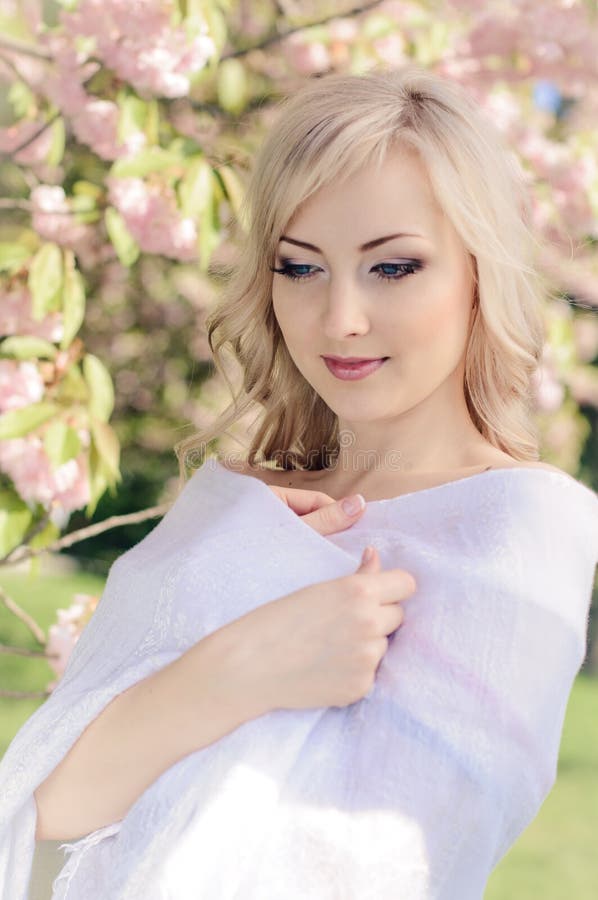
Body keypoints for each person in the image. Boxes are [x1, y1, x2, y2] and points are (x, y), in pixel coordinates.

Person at [1, 65, 597, 900]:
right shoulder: (233, 508)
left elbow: (376, 864)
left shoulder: (521, 527)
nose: (339, 318)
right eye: (300, 266)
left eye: (392, 268)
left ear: (477, 271)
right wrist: (238, 663)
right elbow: (41, 807)